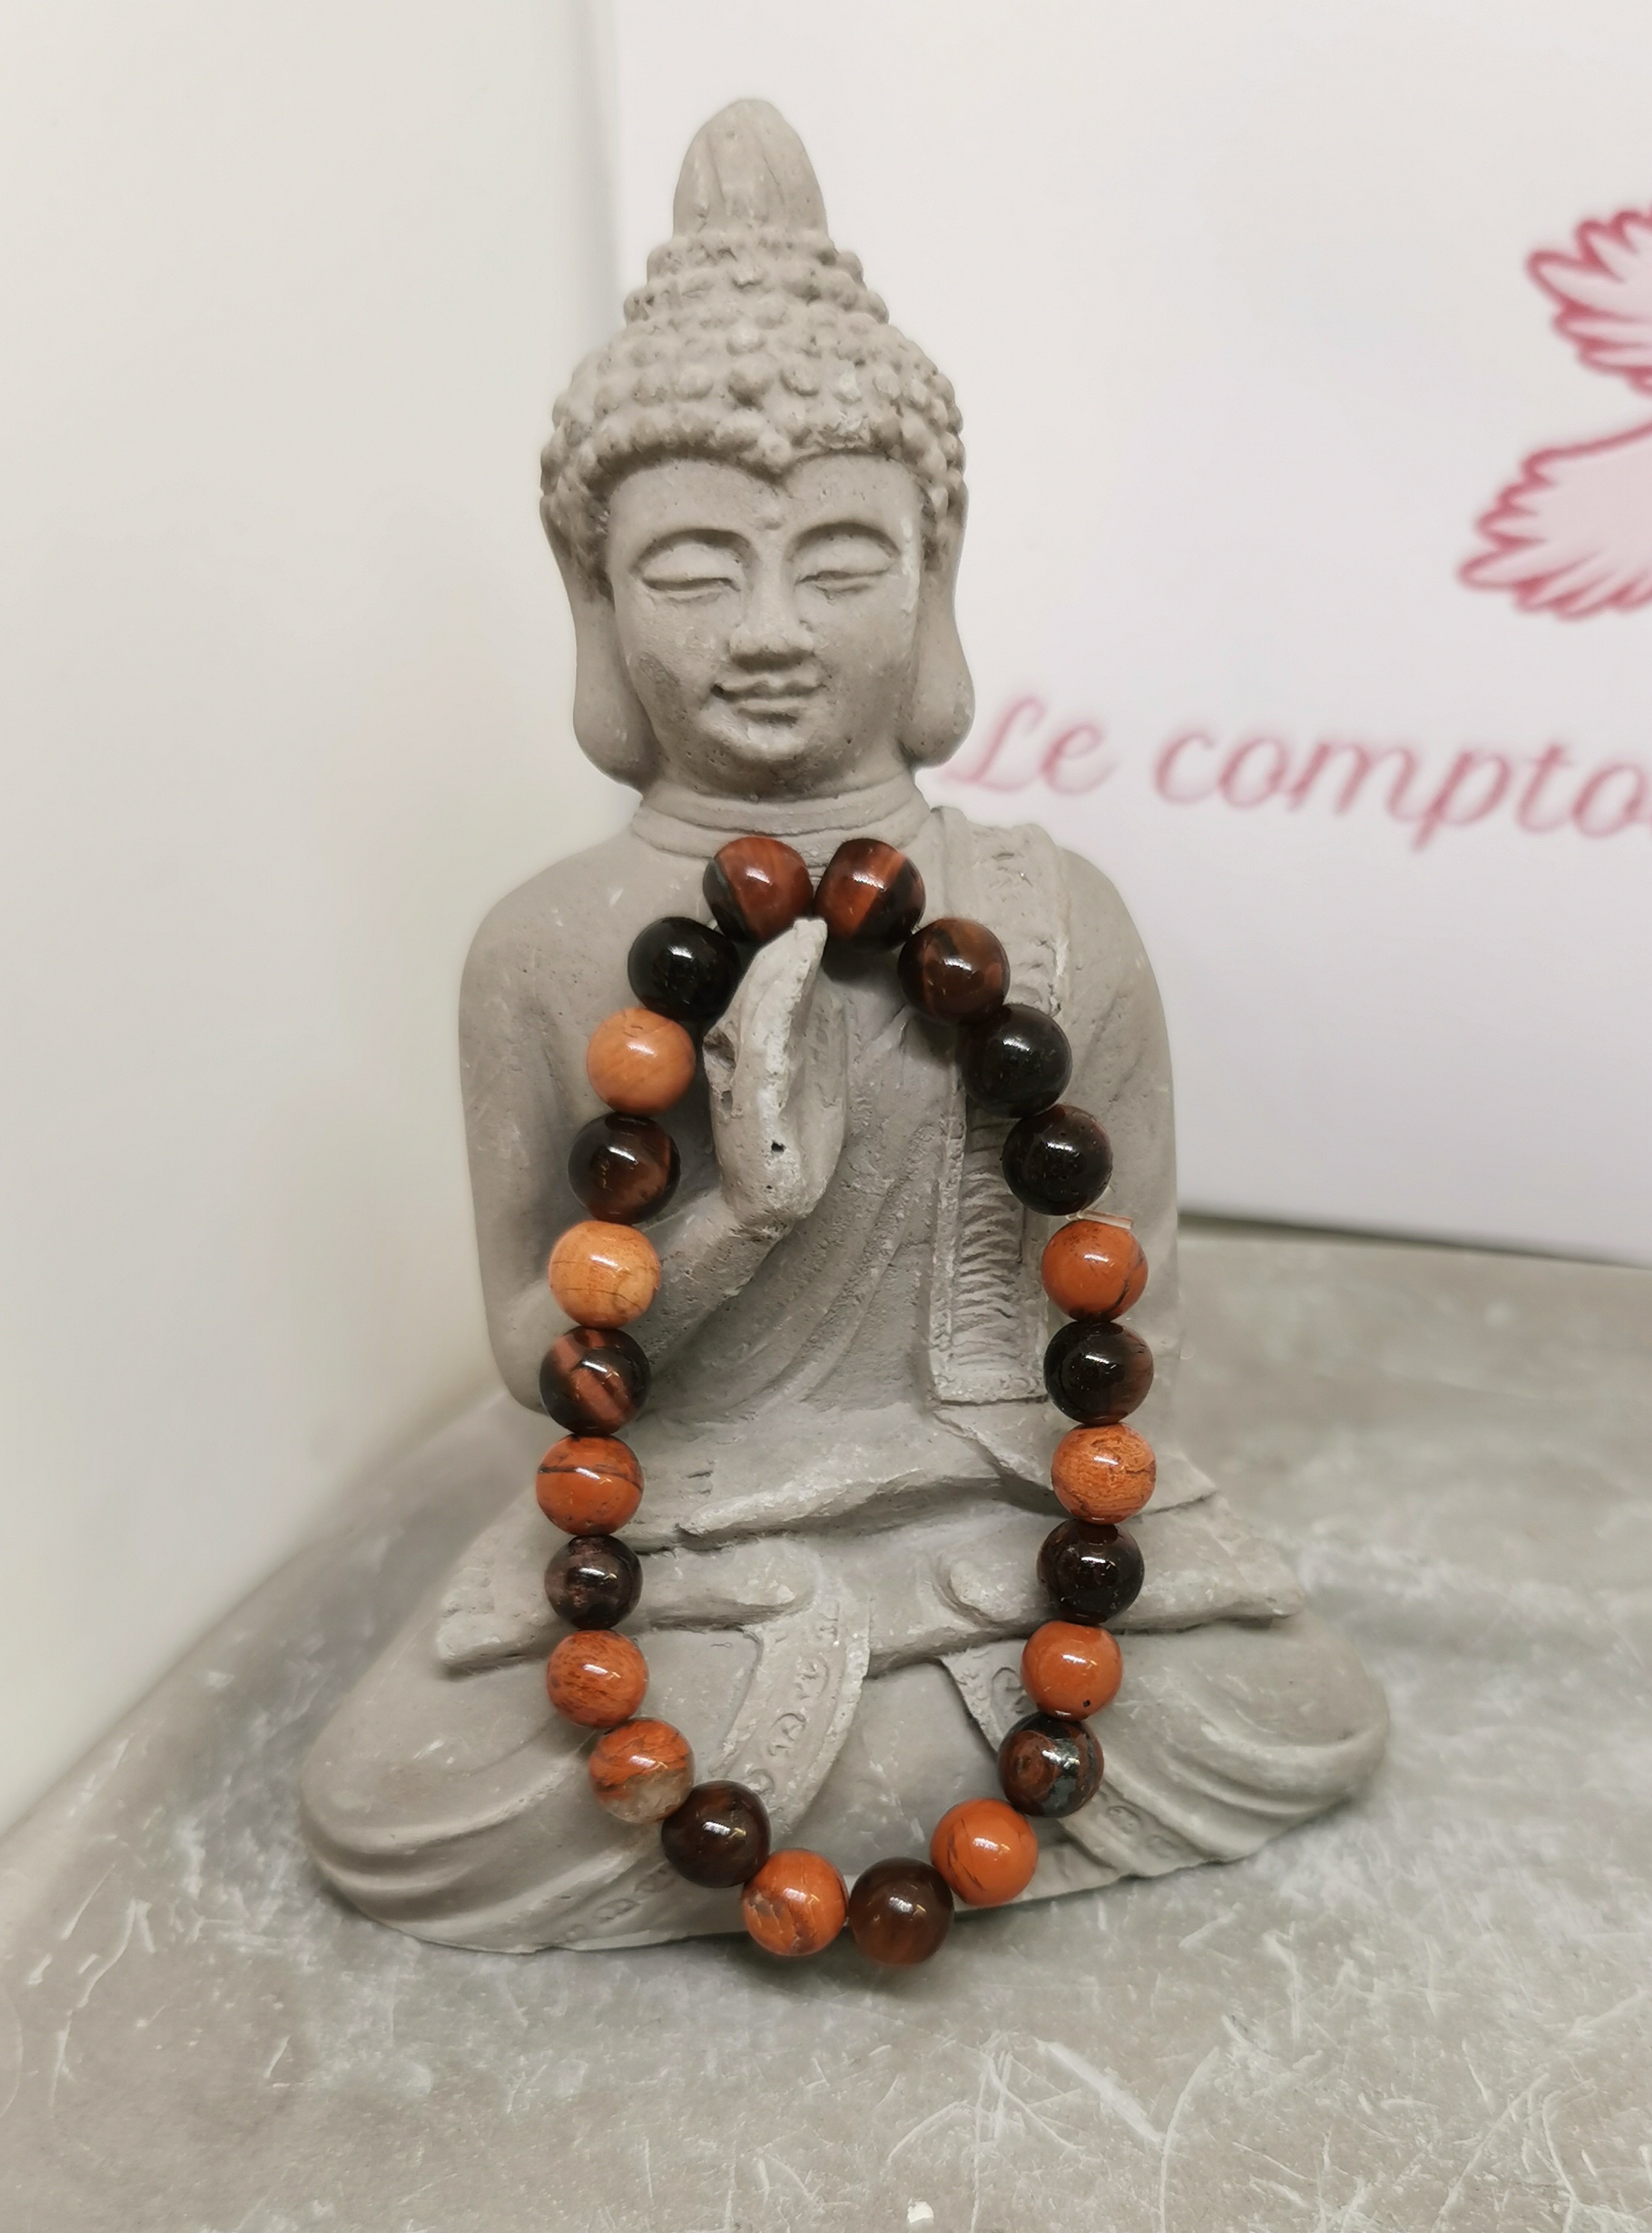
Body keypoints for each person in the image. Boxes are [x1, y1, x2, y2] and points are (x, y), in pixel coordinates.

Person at [300, 102, 1385, 1951]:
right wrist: (749, 1214)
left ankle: (844, 1766)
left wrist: (977, 1489)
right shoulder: (547, 949)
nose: (768, 632)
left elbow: (1129, 1324)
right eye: (691, 571)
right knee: (392, 1804)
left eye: (841, 562)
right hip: (673, 1530)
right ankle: (869, 1766)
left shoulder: (1054, 917)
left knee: (1296, 1714)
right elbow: (539, 1350)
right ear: (594, 596)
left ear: (934, 576)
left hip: (996, 1520)